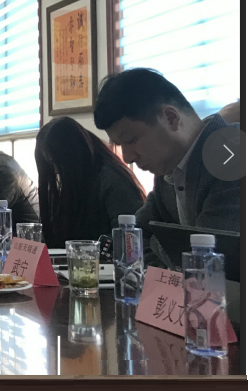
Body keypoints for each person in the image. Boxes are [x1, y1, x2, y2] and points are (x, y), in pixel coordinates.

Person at [93, 68, 240, 265]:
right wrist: (165, 259)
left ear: (171, 118)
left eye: (131, 140)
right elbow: (131, 239)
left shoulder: (233, 155)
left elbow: (210, 259)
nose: (127, 158)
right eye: (120, 145)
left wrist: (161, 250)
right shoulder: (169, 170)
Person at [34, 117, 146, 249]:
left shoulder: (112, 180)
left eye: (57, 164)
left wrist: (89, 249)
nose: (56, 172)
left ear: (73, 156)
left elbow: (128, 240)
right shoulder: (77, 182)